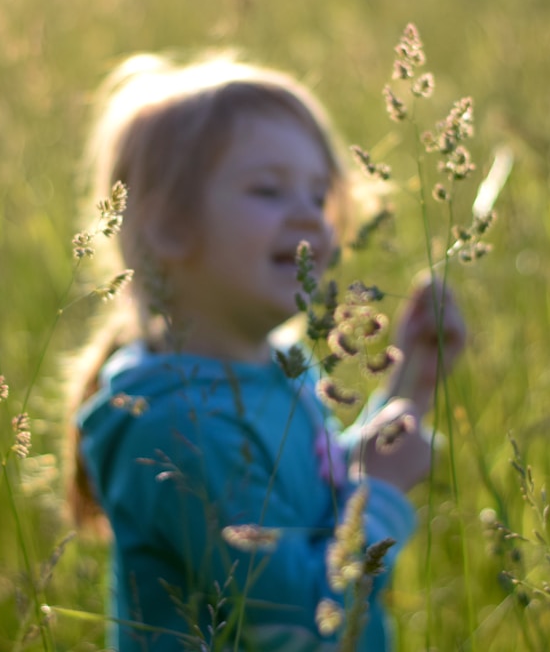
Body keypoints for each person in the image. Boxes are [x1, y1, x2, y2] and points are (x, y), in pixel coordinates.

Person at [67, 52, 467, 651]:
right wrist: (379, 496)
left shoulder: (273, 366)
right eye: (268, 189)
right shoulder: (178, 427)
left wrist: (410, 385)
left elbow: (310, 501)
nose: (311, 214)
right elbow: (303, 620)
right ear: (168, 227)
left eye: (317, 192)